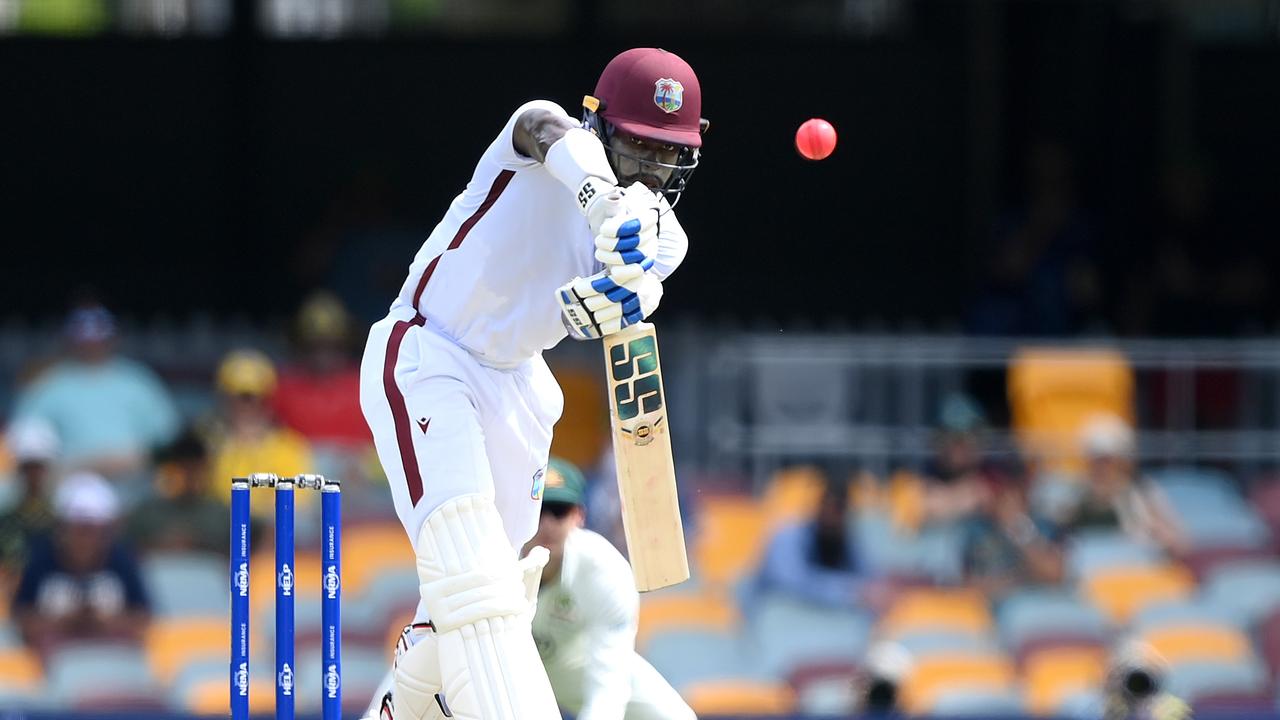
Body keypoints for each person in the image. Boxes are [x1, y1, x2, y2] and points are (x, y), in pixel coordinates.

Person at [358, 48, 705, 719]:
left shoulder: (665, 236)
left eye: (667, 157)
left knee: (492, 601)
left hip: (519, 387)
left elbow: (642, 280)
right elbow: (541, 125)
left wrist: (628, 298)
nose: (651, 171)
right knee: (474, 578)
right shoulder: (545, 145)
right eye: (636, 149)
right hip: (432, 353)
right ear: (598, 125)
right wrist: (602, 199)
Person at [365, 460, 696, 720]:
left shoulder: (605, 572)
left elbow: (607, 687)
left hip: (572, 663)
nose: (547, 524)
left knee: (676, 716)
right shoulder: (487, 556)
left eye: (559, 512)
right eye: (540, 511)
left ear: (579, 516)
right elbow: (428, 643)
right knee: (421, 680)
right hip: (494, 663)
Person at [12, 304, 179, 479]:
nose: (91, 344)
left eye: (98, 337)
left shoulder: (138, 380)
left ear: (113, 339)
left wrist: (131, 460)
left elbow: (167, 437)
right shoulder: (49, 385)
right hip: (71, 480)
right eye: (84, 339)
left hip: (135, 479)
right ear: (69, 340)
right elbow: (23, 439)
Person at [11, 472, 151, 654]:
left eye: (94, 531)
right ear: (63, 529)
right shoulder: (41, 560)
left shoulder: (121, 561)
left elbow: (142, 618)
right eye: (80, 530)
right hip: (53, 664)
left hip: (110, 658)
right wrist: (64, 622)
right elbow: (21, 618)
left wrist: (104, 622)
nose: (87, 540)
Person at [206, 349, 314, 519]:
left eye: (253, 398)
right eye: (237, 398)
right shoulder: (207, 443)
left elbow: (297, 505)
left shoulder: (288, 446)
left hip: (271, 535)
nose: (245, 407)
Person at [1057, 414, 1186, 556]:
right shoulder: (1075, 493)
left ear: (1122, 460)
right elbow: (1059, 538)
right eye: (1095, 459)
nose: (1100, 467)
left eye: (1106, 460)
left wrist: (1154, 528)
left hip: (1133, 567)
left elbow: (1180, 544)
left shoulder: (1143, 492)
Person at [755, 481, 885, 611]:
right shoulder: (788, 535)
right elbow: (793, 584)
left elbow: (866, 573)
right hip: (775, 612)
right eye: (830, 507)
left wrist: (881, 584)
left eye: (840, 509)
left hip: (821, 617)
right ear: (818, 506)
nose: (833, 515)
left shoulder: (842, 535)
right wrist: (852, 590)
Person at [272, 291, 369, 448]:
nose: (323, 355)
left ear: (345, 344)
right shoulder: (284, 388)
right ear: (301, 346)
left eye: (332, 345)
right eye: (315, 346)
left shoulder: (364, 385)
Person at [960, 475, 1063, 602]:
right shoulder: (978, 530)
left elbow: (1054, 576)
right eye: (1004, 501)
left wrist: (1022, 537)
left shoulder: (1042, 528)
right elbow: (969, 585)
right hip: (993, 604)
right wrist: (1012, 584)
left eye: (1016, 503)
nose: (1010, 509)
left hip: (1035, 601)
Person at [127, 429, 226, 556]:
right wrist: (161, 545)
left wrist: (198, 545)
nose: (189, 477)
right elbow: (128, 552)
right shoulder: (146, 513)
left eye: (195, 470)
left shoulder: (222, 515)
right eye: (184, 469)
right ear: (168, 470)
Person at [0, 419, 60, 575]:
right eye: (28, 467)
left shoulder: (61, 517)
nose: (34, 475)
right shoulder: (7, 517)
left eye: (39, 467)